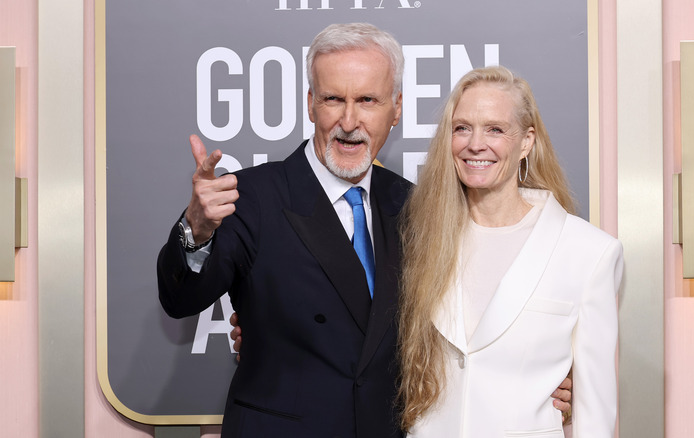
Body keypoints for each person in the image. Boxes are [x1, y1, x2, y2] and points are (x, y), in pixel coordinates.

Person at [158, 23, 570, 438]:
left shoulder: (414, 205)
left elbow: (466, 323)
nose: (349, 121)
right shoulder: (252, 196)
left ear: (396, 109)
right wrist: (197, 229)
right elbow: (180, 299)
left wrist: (541, 374)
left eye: (367, 100)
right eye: (333, 99)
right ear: (310, 105)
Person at [396, 66, 623, 438]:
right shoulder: (420, 238)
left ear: (526, 141)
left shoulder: (589, 252)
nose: (475, 144)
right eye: (462, 127)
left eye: (495, 129)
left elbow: (594, 413)